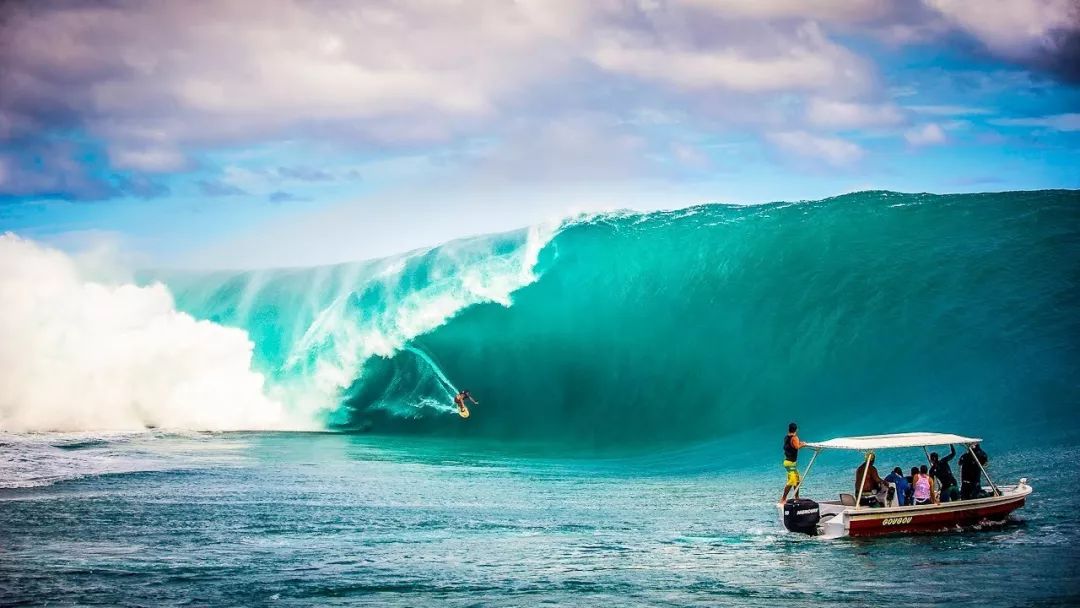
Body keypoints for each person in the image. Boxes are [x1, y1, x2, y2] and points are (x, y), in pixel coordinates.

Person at [780, 422, 806, 504]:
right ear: (796, 429)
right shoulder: (795, 437)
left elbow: (792, 445)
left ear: (789, 429)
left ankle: (797, 497)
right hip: (790, 463)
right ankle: (783, 499)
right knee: (792, 480)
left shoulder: (786, 437)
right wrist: (803, 444)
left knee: (797, 479)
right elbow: (797, 447)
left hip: (788, 462)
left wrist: (799, 443)